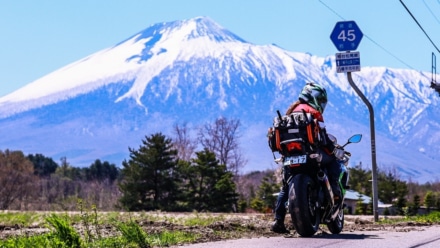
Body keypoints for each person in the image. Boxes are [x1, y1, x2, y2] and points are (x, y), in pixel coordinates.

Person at [271, 82, 345, 234]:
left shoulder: (289, 113)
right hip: (312, 156)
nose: (321, 103)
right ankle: (336, 195)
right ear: (312, 96)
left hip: (290, 157)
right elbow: (323, 138)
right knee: (335, 162)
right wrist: (334, 150)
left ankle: (278, 220)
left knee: (285, 187)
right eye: (320, 98)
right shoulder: (313, 112)